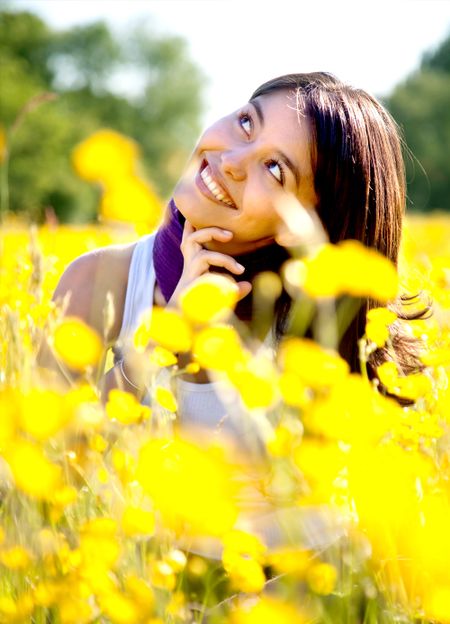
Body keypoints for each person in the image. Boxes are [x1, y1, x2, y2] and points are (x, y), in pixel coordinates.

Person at [40, 72, 425, 440]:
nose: (230, 162)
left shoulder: (319, 341)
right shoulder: (98, 280)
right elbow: (42, 464)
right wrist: (162, 339)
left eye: (274, 169)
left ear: (308, 224)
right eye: (246, 123)